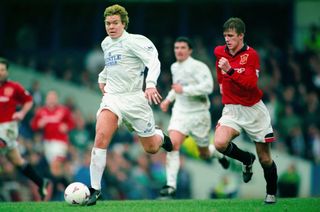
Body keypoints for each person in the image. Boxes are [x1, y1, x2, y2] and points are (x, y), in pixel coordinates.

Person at [86, 4, 172, 206]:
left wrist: (150, 85)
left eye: (115, 23)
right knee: (100, 137)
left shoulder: (135, 41)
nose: (111, 26)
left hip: (135, 100)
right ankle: (95, 190)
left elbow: (154, 61)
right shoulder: (106, 43)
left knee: (151, 148)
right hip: (113, 98)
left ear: (124, 23)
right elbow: (111, 65)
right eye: (108, 23)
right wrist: (102, 76)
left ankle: (160, 136)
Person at [213, 17, 278, 204]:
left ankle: (271, 193)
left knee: (265, 159)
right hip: (232, 110)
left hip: (253, 111)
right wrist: (220, 83)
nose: (227, 39)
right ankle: (246, 159)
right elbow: (219, 69)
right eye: (225, 35)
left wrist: (230, 71)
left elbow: (250, 85)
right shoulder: (219, 51)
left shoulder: (251, 56)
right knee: (219, 143)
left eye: (231, 36)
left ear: (241, 36)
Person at [159, 37, 230, 198]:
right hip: (180, 112)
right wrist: (168, 100)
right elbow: (176, 87)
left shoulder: (199, 67)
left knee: (204, 153)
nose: (179, 50)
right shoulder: (174, 67)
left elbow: (208, 87)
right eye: (176, 48)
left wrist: (184, 90)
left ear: (190, 50)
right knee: (173, 144)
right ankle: (170, 185)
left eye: (183, 47)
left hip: (199, 114)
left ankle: (218, 154)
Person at [0, 57, 51, 201]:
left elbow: (29, 100)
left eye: (3, 70)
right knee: (18, 161)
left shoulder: (14, 87)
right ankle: (41, 183)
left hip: (8, 127)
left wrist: (22, 112)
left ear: (7, 71)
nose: (0, 73)